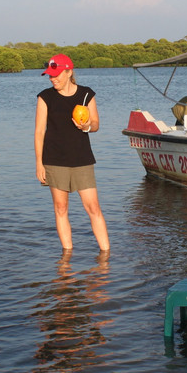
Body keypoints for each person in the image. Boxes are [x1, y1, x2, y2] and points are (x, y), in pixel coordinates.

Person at [34, 53, 110, 252]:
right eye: (50, 75)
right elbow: (39, 132)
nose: (53, 79)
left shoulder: (86, 94)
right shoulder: (45, 97)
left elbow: (96, 124)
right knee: (61, 208)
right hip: (54, 160)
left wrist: (86, 126)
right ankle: (67, 255)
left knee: (93, 207)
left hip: (81, 158)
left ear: (69, 72)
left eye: (56, 74)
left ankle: (106, 254)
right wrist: (39, 163)